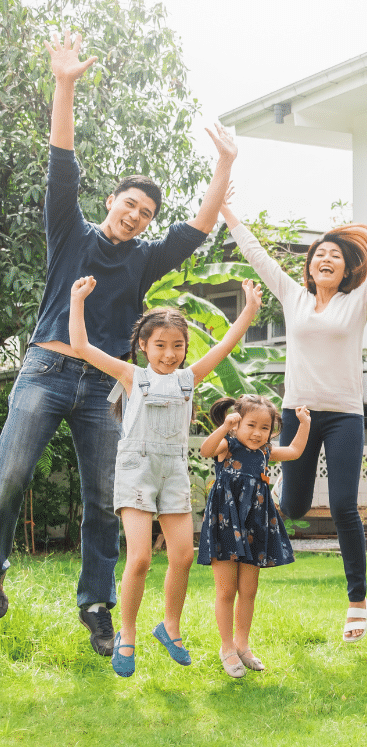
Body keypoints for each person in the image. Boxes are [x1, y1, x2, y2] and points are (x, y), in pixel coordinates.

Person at [0, 29, 236, 657]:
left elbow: (202, 224)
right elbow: (61, 158)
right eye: (129, 205)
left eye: (145, 214)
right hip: (48, 367)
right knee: (9, 473)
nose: (135, 217)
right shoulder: (69, 232)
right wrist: (65, 83)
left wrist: (225, 165)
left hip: (107, 386)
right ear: (111, 201)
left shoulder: (144, 262)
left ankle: (97, 605)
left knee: (108, 500)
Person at [220, 179, 367, 642]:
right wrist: (226, 211)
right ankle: (256, 531)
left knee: (344, 505)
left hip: (345, 415)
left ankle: (357, 600)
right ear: (309, 267)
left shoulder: (359, 302)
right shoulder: (293, 297)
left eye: (335, 257)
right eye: (318, 254)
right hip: (297, 414)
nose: (325, 259)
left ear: (345, 271)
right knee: (294, 505)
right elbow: (259, 257)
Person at [69, 275, 263, 677]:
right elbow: (81, 347)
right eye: (160, 345)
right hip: (137, 469)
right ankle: (126, 633)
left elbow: (227, 344)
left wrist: (249, 308)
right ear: (143, 346)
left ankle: (169, 626)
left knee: (183, 556)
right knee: (139, 558)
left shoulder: (188, 379)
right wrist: (78, 300)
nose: (170, 354)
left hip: (173, 470)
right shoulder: (131, 375)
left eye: (178, 346)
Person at [197, 395, 311, 677]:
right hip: (226, 520)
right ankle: (226, 647)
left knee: (249, 589)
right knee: (226, 590)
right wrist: (225, 427)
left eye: (265, 428)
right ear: (237, 424)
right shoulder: (229, 444)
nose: (258, 433)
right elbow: (204, 449)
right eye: (251, 425)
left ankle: (243, 645)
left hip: (255, 522)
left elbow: (296, 450)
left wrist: (305, 423)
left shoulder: (265, 451)